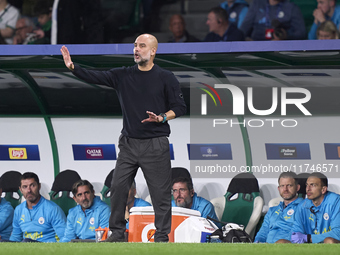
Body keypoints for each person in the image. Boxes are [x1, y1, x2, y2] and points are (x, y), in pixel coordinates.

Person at [60, 33, 187, 242]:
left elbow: (180, 107)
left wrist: (162, 117)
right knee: (118, 188)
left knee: (160, 195)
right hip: (128, 143)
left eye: (142, 46)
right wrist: (74, 68)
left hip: (155, 145)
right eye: (135, 45)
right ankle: (117, 233)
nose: (136, 49)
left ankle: (162, 237)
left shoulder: (166, 77)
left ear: (153, 51)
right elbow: (96, 76)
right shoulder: (123, 75)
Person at [9, 172, 67, 242]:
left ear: (39, 186)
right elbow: (15, 237)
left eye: (32, 185)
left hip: (47, 249)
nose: (29, 190)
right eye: (25, 187)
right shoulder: (18, 210)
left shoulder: (53, 209)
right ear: (20, 190)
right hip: (26, 250)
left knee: (26, 241)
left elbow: (65, 237)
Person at [290, 172, 340, 243]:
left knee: (329, 241)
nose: (308, 189)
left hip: (330, 245)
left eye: (313, 185)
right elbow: (296, 233)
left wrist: (309, 238)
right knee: (282, 241)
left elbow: (338, 233)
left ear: (323, 189)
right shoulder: (302, 206)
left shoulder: (336, 202)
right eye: (307, 185)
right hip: (309, 246)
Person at [254, 172, 303, 243]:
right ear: (278, 188)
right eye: (282, 186)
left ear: (297, 187)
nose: (285, 189)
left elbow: (301, 235)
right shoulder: (272, 210)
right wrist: (258, 242)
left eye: (289, 185)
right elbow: (262, 233)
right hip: (266, 249)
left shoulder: (304, 208)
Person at [240, 0, 306, 41]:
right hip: (256, 47)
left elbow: (302, 33)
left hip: (280, 48)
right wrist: (247, 40)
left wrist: (286, 36)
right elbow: (244, 29)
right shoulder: (257, 4)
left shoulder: (291, 7)